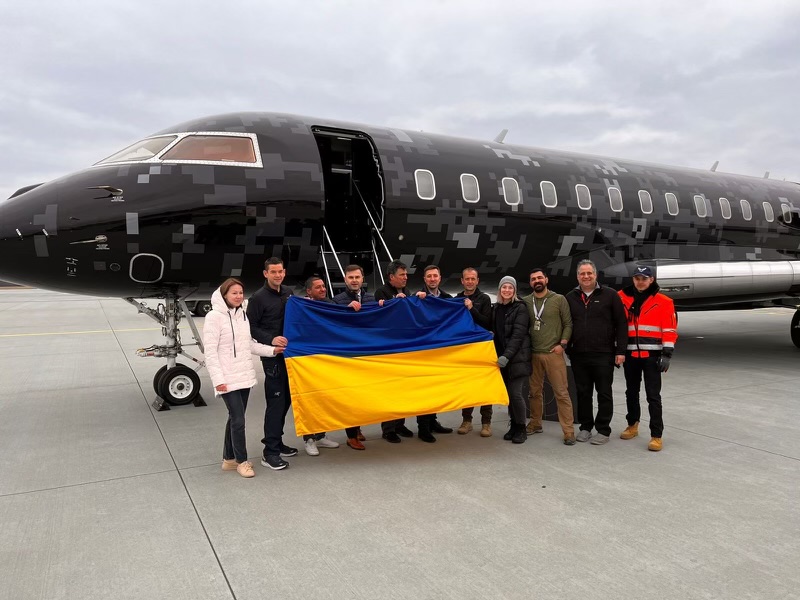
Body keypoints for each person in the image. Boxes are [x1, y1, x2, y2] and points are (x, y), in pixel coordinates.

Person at [203, 278, 283, 478]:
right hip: (226, 378)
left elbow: (249, 345)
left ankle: (229, 459)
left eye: (240, 292)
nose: (238, 296)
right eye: (234, 293)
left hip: (243, 376)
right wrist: (218, 380)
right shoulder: (214, 317)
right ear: (224, 295)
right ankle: (242, 461)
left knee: (234, 418)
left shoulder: (242, 316)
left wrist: (272, 350)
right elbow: (210, 353)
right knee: (238, 420)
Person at [565, 259, 628, 445]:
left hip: (603, 354)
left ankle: (603, 429)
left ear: (595, 275)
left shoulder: (610, 295)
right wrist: (568, 347)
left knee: (604, 393)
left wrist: (620, 350)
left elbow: (621, 323)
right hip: (579, 355)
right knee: (583, 393)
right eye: (582, 274)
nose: (586, 276)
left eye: (589, 273)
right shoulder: (570, 297)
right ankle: (585, 427)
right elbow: (565, 323)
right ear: (577, 276)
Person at [617, 266, 678, 452]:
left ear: (651, 280)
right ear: (633, 279)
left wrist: (666, 354)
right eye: (637, 278)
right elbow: (616, 325)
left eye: (644, 278)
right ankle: (632, 425)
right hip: (630, 355)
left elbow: (669, 329)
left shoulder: (664, 301)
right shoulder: (621, 297)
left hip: (652, 356)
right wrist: (617, 351)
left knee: (653, 396)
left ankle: (656, 435)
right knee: (631, 392)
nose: (640, 281)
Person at [374, 260, 432, 442]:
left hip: (405, 348)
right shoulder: (381, 292)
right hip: (389, 349)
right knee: (390, 390)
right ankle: (388, 429)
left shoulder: (407, 291)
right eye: (402, 274)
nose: (406, 277)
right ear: (391, 277)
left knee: (403, 389)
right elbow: (378, 317)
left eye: (406, 274)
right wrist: (392, 303)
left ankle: (400, 424)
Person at [246, 257, 296, 471]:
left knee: (286, 401)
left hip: (290, 356)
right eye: (273, 272)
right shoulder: (258, 298)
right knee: (276, 403)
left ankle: (277, 441)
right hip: (272, 358)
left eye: (280, 271)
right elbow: (250, 327)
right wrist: (271, 339)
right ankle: (270, 452)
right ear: (265, 274)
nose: (278, 275)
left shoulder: (289, 292)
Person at [521, 267, 576, 445]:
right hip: (533, 354)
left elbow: (568, 324)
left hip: (553, 354)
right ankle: (535, 423)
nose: (537, 281)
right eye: (533, 279)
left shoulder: (559, 299)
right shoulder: (526, 301)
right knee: (534, 392)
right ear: (530, 283)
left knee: (561, 393)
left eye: (539, 278)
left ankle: (568, 431)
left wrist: (563, 344)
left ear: (546, 280)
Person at [332, 264, 376, 450]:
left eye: (357, 277)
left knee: (362, 395)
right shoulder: (337, 301)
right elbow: (333, 325)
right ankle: (351, 436)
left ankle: (357, 428)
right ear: (345, 279)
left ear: (362, 278)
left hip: (366, 354)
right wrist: (346, 311)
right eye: (351, 277)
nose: (354, 280)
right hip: (348, 356)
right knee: (350, 397)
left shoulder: (371, 298)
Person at [300, 276, 341, 456]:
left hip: (327, 359)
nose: (323, 289)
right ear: (309, 291)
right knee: (310, 400)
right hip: (309, 360)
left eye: (324, 286)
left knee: (324, 399)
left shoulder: (330, 304)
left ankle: (321, 436)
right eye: (318, 287)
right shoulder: (302, 307)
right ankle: (309, 439)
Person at [489, 276, 532, 444]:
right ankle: (513, 425)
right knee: (509, 395)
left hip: (516, 359)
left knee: (516, 394)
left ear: (514, 290)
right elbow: (491, 328)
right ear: (500, 290)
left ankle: (521, 428)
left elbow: (518, 336)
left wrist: (506, 356)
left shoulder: (520, 308)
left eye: (510, 288)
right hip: (502, 360)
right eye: (504, 287)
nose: (507, 290)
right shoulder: (496, 308)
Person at [416, 265, 454, 436]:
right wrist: (416, 300)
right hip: (423, 352)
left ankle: (432, 422)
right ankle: (423, 427)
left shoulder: (447, 298)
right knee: (424, 391)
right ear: (424, 279)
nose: (432, 279)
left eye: (435, 276)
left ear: (440, 278)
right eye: (429, 276)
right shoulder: (417, 298)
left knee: (437, 389)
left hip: (440, 351)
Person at [457, 267, 494, 436]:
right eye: (467, 279)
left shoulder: (485, 299)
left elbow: (487, 323)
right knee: (468, 386)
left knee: (485, 386)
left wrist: (472, 308)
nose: (470, 281)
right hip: (465, 349)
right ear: (462, 281)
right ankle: (467, 421)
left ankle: (486, 423)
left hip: (482, 348)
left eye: (473, 279)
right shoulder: (457, 299)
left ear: (477, 281)